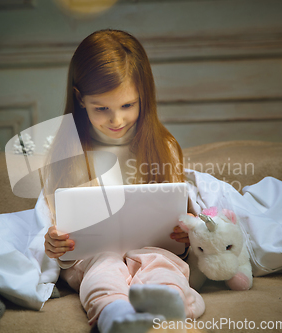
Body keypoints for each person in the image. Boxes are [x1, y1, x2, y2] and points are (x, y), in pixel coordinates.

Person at [42, 29, 205, 333]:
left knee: (162, 263)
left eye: (127, 106)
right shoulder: (67, 153)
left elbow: (177, 224)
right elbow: (60, 231)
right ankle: (114, 314)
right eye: (101, 108)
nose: (116, 120)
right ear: (80, 99)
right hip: (91, 256)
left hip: (153, 249)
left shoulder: (163, 145)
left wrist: (185, 236)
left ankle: (170, 304)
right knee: (103, 266)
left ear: (144, 97)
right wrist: (56, 244)